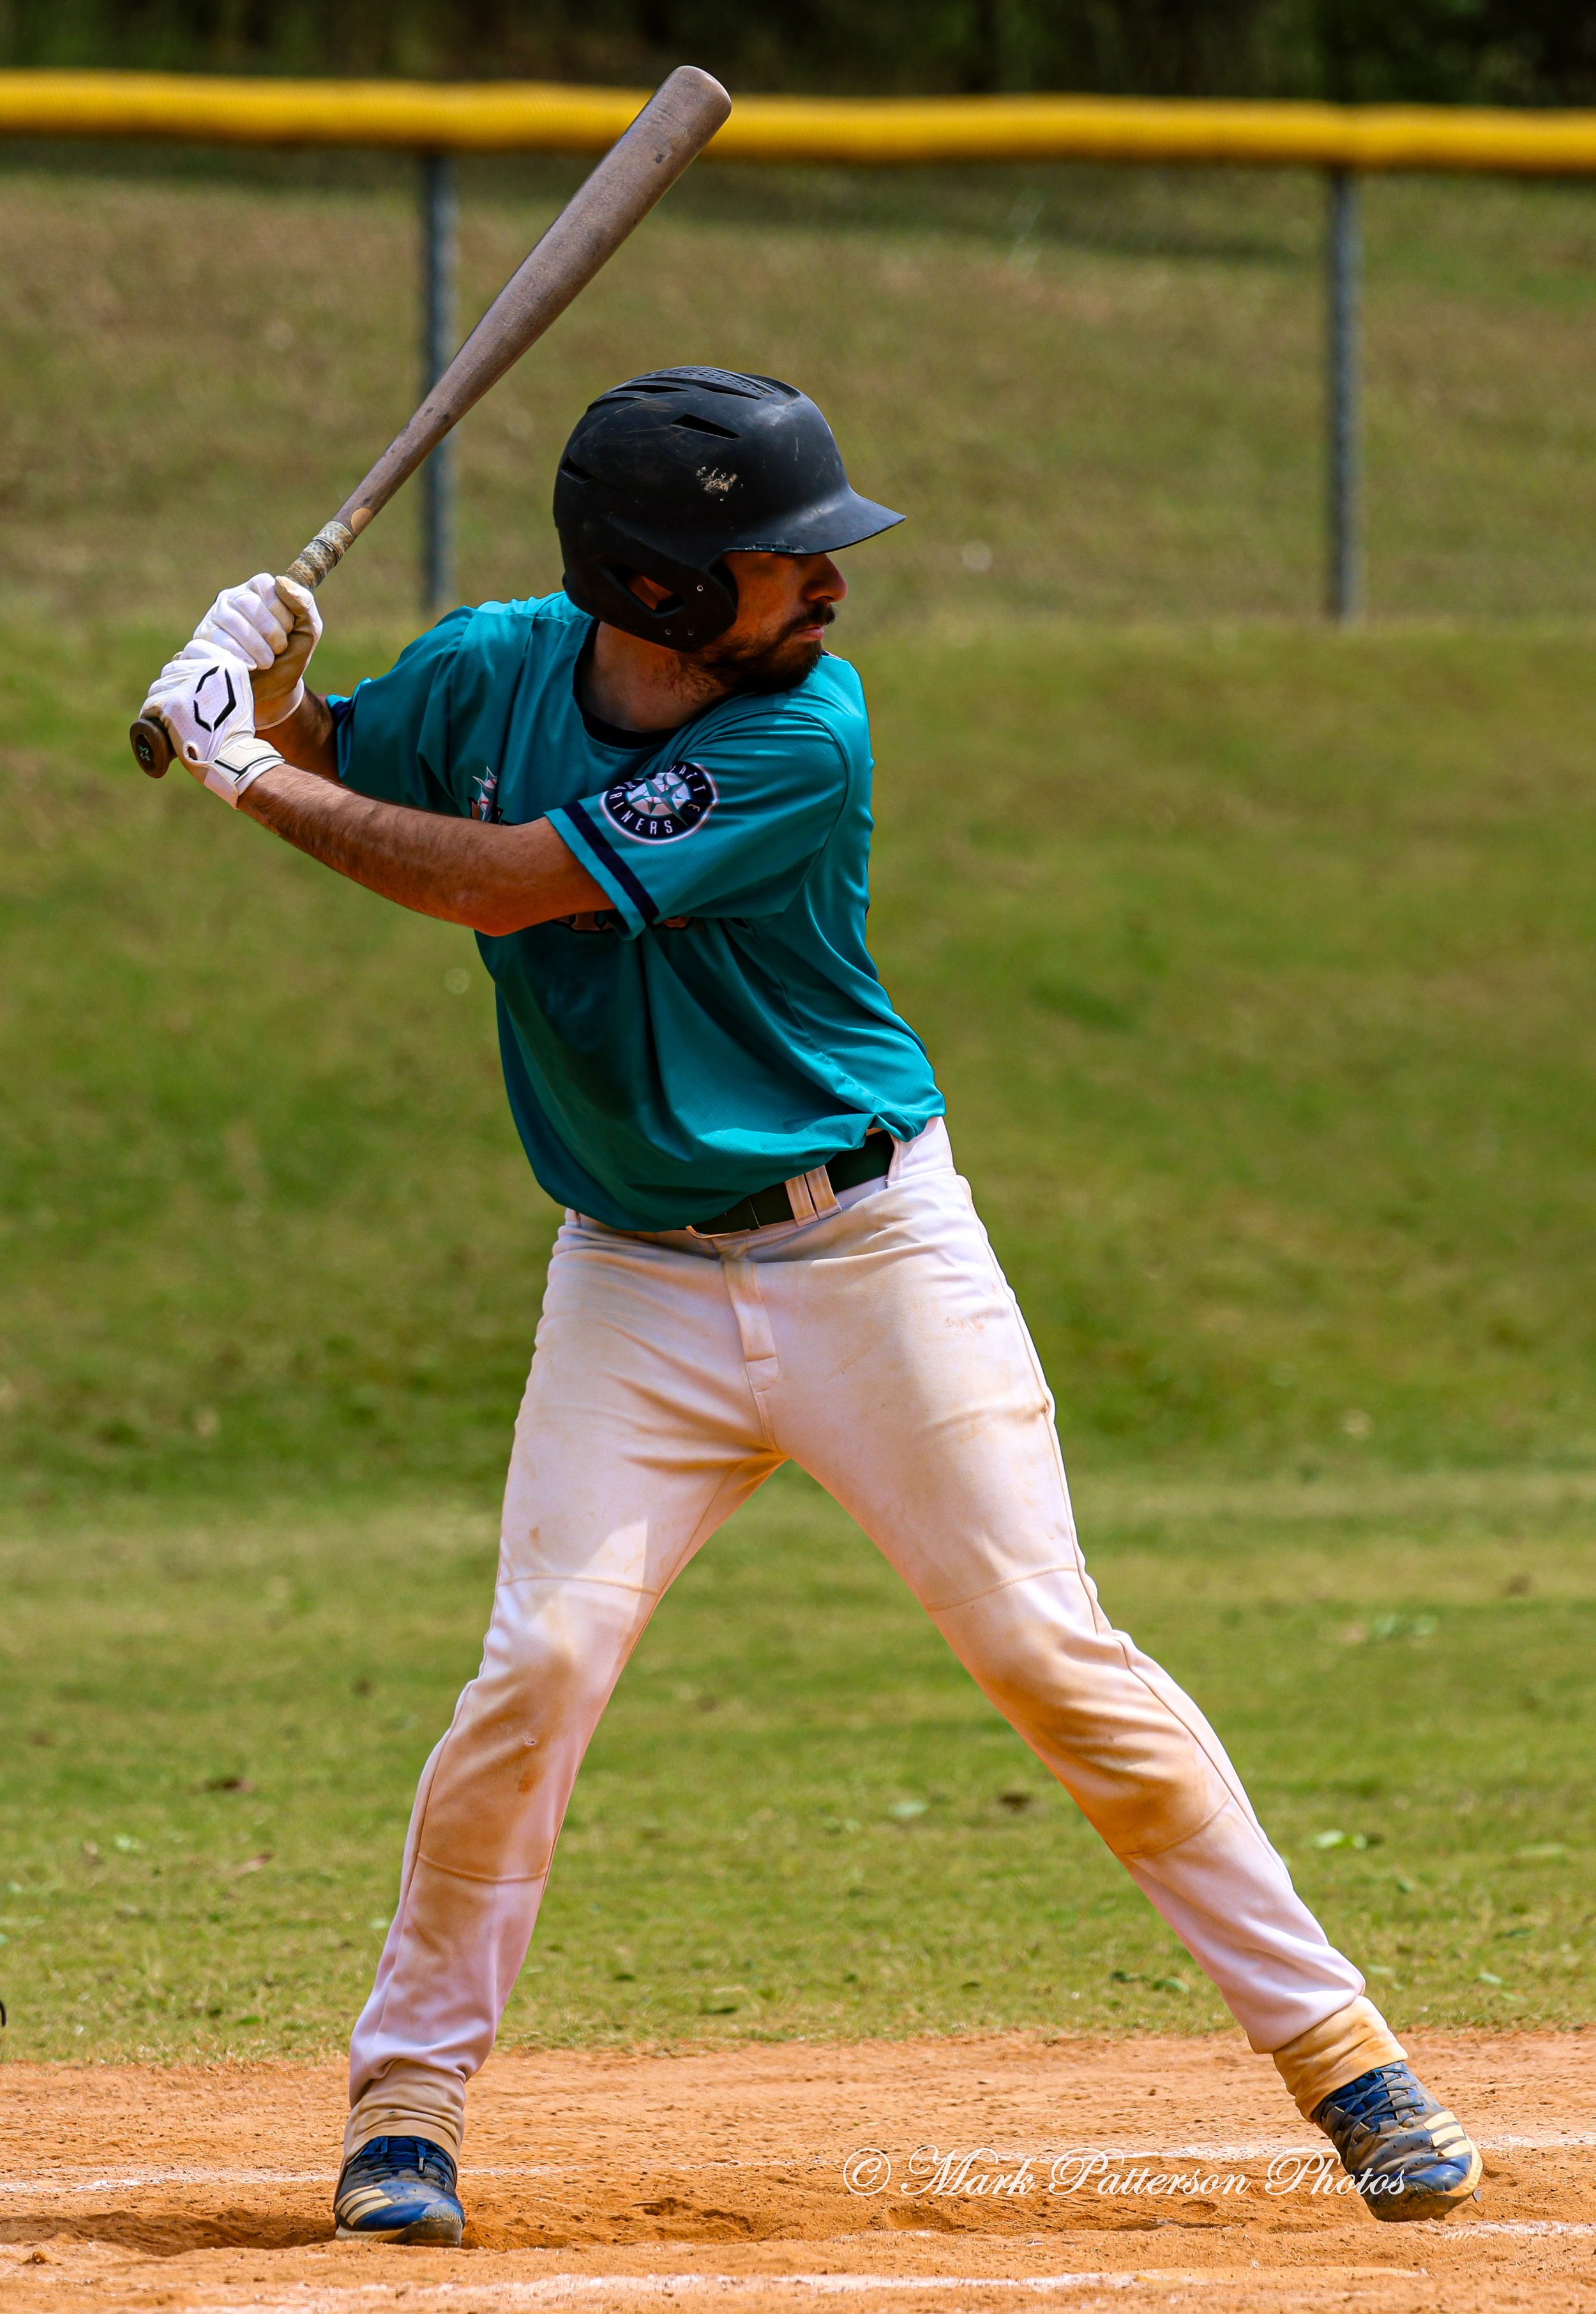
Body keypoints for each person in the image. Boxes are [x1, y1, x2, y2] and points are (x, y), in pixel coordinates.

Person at [142, 367, 1480, 2248]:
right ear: (660, 586)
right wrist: (264, 680)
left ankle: (1343, 2056)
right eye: (786, 563)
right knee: (537, 1667)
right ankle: (408, 2102)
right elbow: (355, 759)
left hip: (870, 1256)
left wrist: (241, 771)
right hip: (633, 1275)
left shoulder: (806, 734)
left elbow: (512, 886)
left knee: (1046, 1649)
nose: (829, 590)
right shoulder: (495, 670)